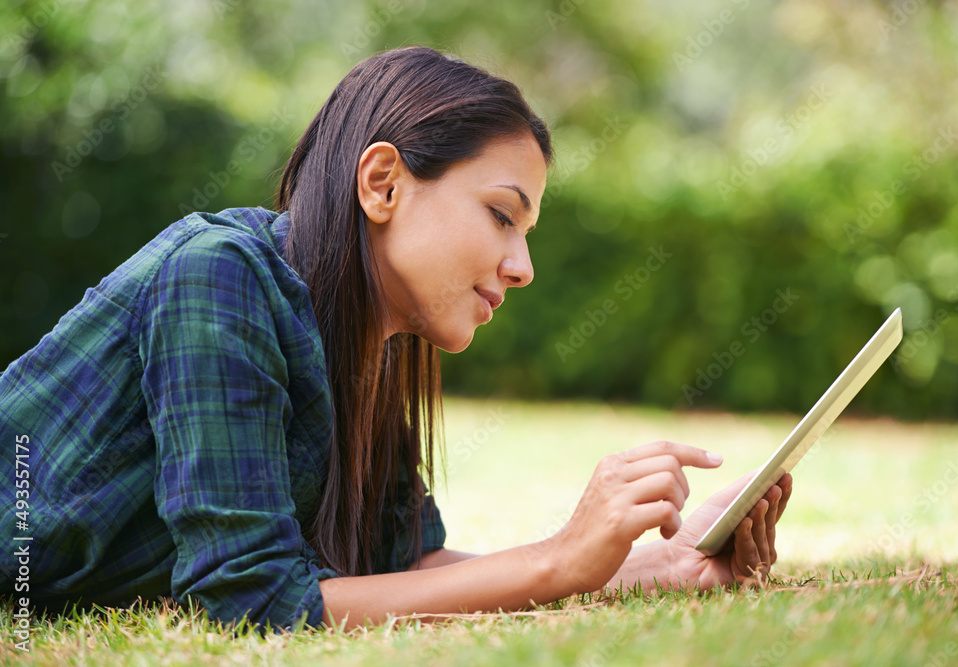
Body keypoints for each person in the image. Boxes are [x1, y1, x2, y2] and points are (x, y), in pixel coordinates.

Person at [0, 45, 792, 634]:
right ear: (383, 184)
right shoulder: (221, 280)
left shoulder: (369, 344)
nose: (522, 267)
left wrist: (647, 562)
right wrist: (554, 562)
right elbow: (257, 605)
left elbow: (403, 570)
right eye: (501, 215)